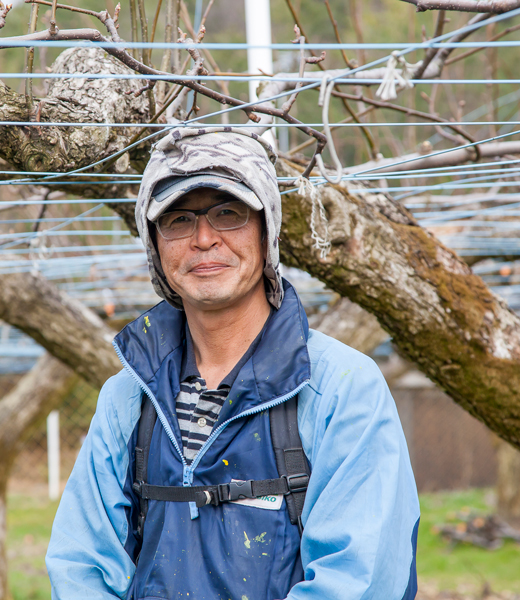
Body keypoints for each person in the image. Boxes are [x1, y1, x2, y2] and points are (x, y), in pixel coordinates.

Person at [46, 127, 420, 600]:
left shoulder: (340, 389)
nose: (203, 238)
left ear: (267, 231)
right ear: (155, 246)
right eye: (178, 219)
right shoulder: (128, 398)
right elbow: (83, 568)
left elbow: (360, 580)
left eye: (228, 213)